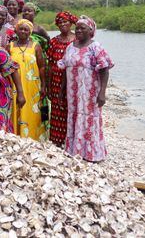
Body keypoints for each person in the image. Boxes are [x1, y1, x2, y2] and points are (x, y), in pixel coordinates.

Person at [58, 15, 114, 162]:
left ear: (91, 31)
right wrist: (62, 90)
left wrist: (102, 93)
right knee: (75, 117)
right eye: (77, 28)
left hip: (89, 92)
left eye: (83, 28)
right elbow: (65, 68)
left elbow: (104, 69)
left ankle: (92, 153)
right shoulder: (70, 47)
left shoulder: (95, 47)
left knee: (90, 120)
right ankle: (74, 150)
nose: (78, 30)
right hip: (73, 92)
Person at [7, 19, 46, 140]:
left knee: (32, 111)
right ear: (16, 30)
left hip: (32, 85)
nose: (23, 31)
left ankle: (33, 138)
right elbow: (6, 67)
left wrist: (44, 86)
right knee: (15, 109)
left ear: (30, 32)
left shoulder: (36, 46)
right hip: (14, 85)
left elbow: (42, 67)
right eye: (21, 29)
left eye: (26, 29)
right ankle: (16, 137)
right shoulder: (10, 46)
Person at [46, 11, 78, 146]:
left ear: (71, 23)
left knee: (74, 109)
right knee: (57, 109)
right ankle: (57, 141)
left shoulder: (78, 40)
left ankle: (74, 141)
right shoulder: (53, 41)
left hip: (74, 81)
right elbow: (49, 65)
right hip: (56, 81)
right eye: (60, 22)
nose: (63, 24)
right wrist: (48, 85)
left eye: (65, 21)